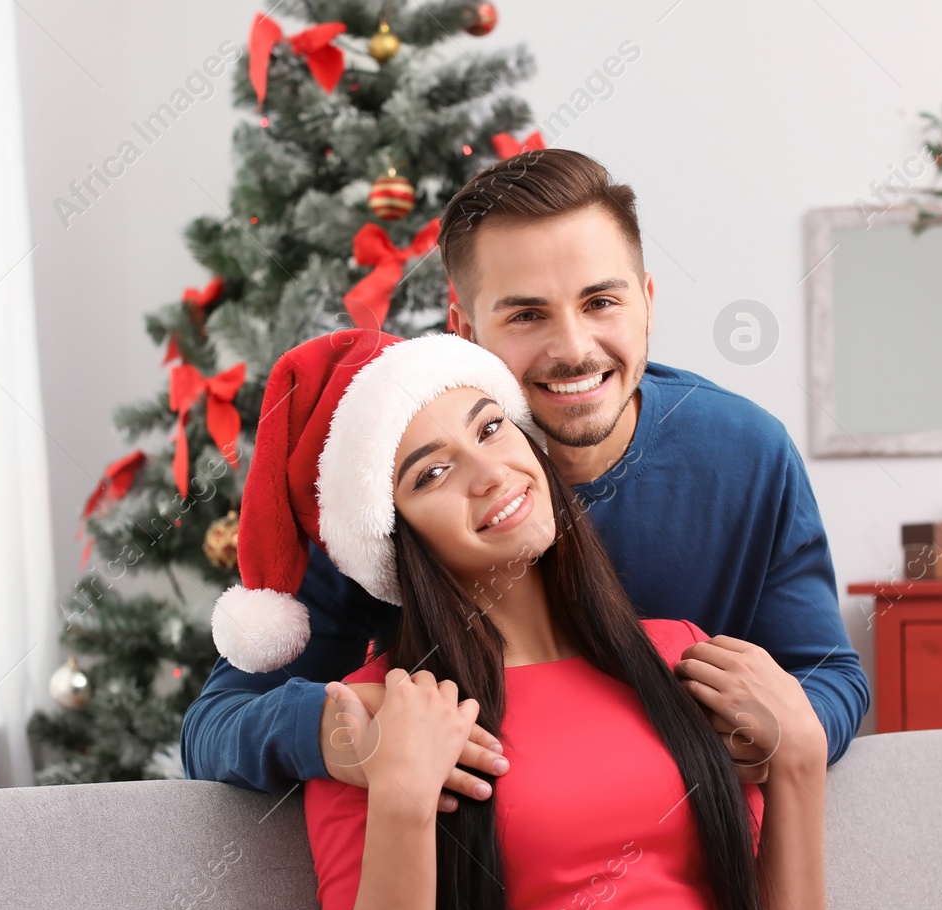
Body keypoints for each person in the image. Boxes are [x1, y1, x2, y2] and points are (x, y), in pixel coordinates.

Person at [181, 147, 868, 814]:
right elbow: (215, 726)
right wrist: (340, 732)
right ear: (465, 331)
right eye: (527, 314)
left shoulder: (747, 454)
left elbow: (830, 674)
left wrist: (783, 727)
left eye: (601, 301)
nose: (573, 348)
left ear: (648, 304)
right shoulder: (382, 490)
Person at [218, 328, 827, 910]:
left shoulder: (681, 658)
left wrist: (799, 761)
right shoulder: (378, 718)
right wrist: (404, 798)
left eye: (490, 426)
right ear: (391, 536)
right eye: (432, 472)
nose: (488, 472)